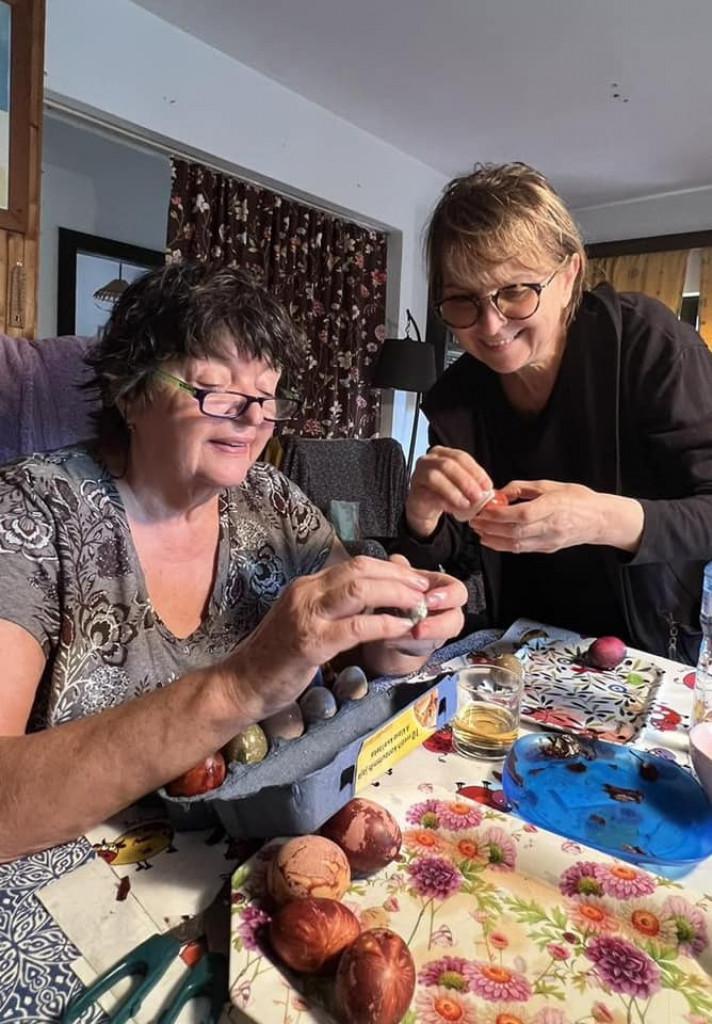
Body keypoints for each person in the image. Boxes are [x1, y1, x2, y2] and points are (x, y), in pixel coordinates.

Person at [0, 263, 466, 862]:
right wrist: (239, 685)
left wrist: (405, 630)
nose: (252, 417)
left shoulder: (271, 499)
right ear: (130, 392)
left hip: (254, 851)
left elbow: (358, 645)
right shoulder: (30, 514)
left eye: (267, 396)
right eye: (216, 389)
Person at [395, 162, 712, 665]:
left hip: (649, 646)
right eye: (462, 301)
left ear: (568, 276)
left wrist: (599, 517)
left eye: (515, 291)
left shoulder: (650, 347)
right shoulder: (457, 398)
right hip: (520, 646)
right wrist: (421, 518)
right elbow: (447, 558)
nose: (491, 325)